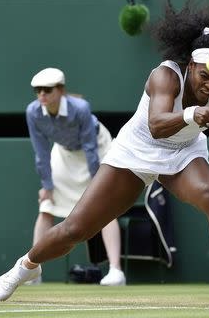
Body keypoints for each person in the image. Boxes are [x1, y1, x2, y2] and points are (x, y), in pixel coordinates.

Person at [0, 0, 209, 308]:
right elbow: (158, 125)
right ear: (190, 66)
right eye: (204, 77)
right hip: (136, 149)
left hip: (184, 152)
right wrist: (194, 114)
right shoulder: (165, 76)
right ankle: (24, 268)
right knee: (75, 229)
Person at [24, 67, 126, 286]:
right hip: (64, 154)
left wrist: (97, 182)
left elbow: (90, 148)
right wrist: (46, 185)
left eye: (47, 90)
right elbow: (40, 151)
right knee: (46, 207)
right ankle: (32, 271)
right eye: (37, 90)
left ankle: (116, 271)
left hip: (97, 149)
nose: (42, 95)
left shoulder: (81, 108)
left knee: (105, 208)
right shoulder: (33, 112)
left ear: (60, 90)